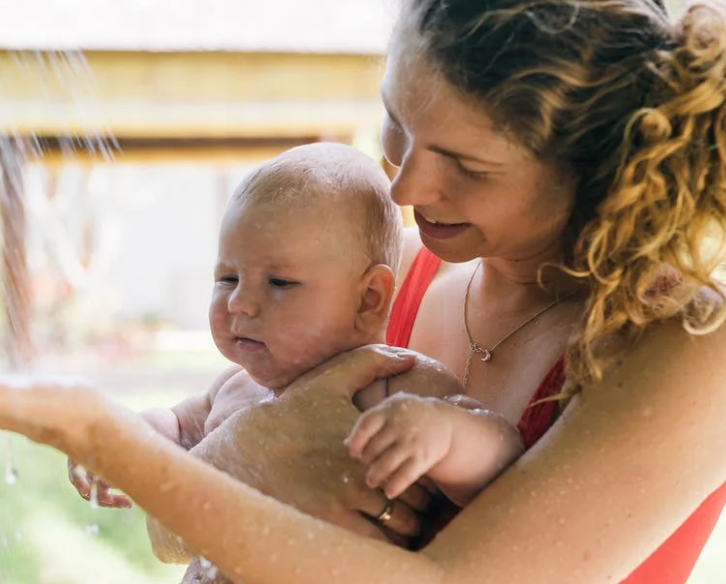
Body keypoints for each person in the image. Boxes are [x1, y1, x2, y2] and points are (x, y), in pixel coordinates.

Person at [2, 1, 726, 583]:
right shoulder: (387, 274)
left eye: (465, 166)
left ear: (594, 172)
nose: (406, 187)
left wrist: (105, 436)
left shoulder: (688, 345)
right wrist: (189, 448)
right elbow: (217, 478)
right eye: (397, 124)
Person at [67, 141, 524, 581]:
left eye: (280, 283)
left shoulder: (391, 383)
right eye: (227, 277)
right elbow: (175, 429)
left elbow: (503, 458)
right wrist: (122, 438)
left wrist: (445, 435)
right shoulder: (233, 386)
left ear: (369, 298)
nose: (240, 303)